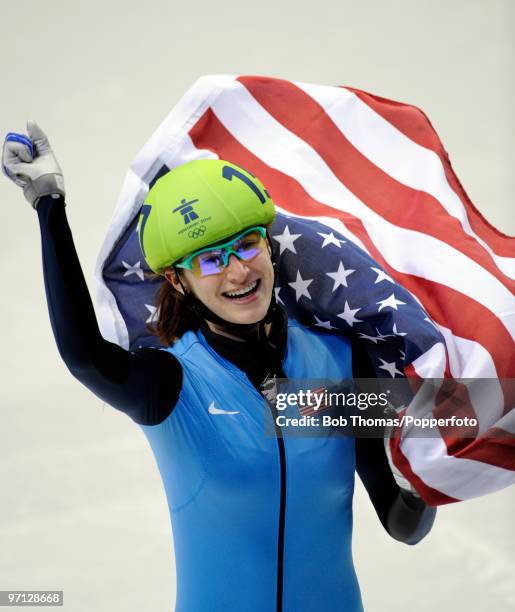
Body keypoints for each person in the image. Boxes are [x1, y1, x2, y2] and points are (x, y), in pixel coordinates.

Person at [3, 122, 436, 612]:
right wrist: (48, 207)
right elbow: (83, 355)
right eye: (210, 260)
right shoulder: (171, 385)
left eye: (247, 244)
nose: (238, 272)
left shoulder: (338, 360)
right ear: (178, 280)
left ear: (269, 246)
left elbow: (402, 524)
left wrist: (421, 483)